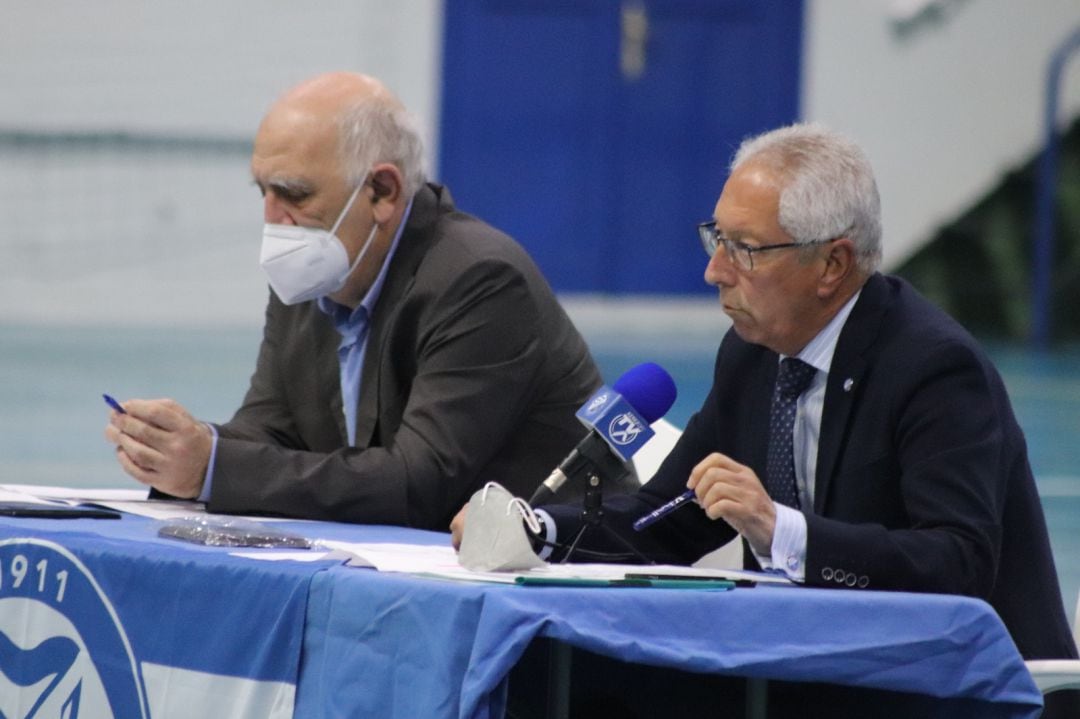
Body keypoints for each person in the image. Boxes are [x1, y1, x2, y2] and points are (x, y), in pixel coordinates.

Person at [452, 123, 1078, 668]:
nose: (714, 271)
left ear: (832, 265)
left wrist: (783, 530)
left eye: (745, 250)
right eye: (716, 239)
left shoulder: (934, 368)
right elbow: (663, 521)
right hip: (817, 666)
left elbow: (958, 563)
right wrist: (536, 531)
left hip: (966, 681)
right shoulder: (752, 352)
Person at [104, 71, 628, 530]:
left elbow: (416, 485)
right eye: (262, 192)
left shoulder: (481, 281)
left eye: (294, 194)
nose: (272, 220)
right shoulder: (312, 279)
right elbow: (270, 432)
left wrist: (214, 467)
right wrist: (181, 448)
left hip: (561, 580)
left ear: (381, 191)